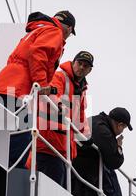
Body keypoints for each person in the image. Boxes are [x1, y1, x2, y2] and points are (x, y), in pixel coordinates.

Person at [0, 10, 76, 168]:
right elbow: (38, 53)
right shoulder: (54, 31)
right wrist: (42, 84)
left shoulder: (37, 29)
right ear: (69, 30)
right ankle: (10, 182)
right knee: (20, 143)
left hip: (3, 85)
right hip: (18, 90)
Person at [28, 51, 93, 187]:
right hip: (48, 144)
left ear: (89, 70)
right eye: (79, 63)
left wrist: (85, 135)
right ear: (73, 62)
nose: (81, 67)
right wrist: (59, 106)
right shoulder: (60, 76)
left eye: (85, 66)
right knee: (47, 189)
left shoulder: (81, 89)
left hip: (62, 149)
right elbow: (53, 92)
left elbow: (80, 115)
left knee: (56, 190)